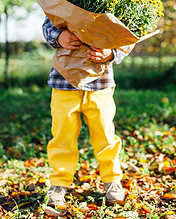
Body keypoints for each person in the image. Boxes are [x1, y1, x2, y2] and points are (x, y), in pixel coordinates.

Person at [42, 17, 133, 207]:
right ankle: (59, 184)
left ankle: (112, 180)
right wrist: (59, 37)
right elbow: (47, 25)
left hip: (100, 84)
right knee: (62, 137)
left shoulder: (112, 5)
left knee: (105, 135)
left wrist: (111, 53)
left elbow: (127, 37)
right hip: (63, 83)